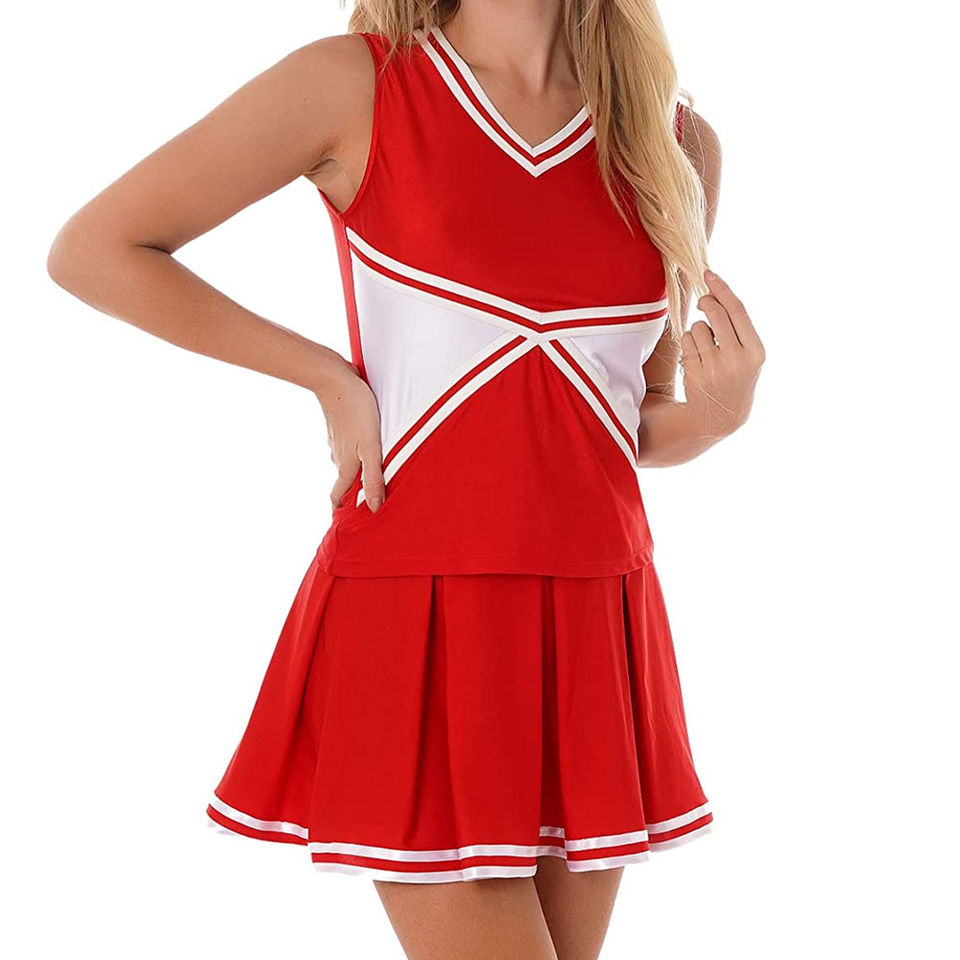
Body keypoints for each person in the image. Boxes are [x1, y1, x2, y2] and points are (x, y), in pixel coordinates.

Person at [47, 1, 764, 956]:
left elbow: (626, 417)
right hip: (421, 608)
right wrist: (326, 377)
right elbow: (95, 250)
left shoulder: (671, 137)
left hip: (597, 618)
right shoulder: (356, 84)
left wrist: (717, 419)